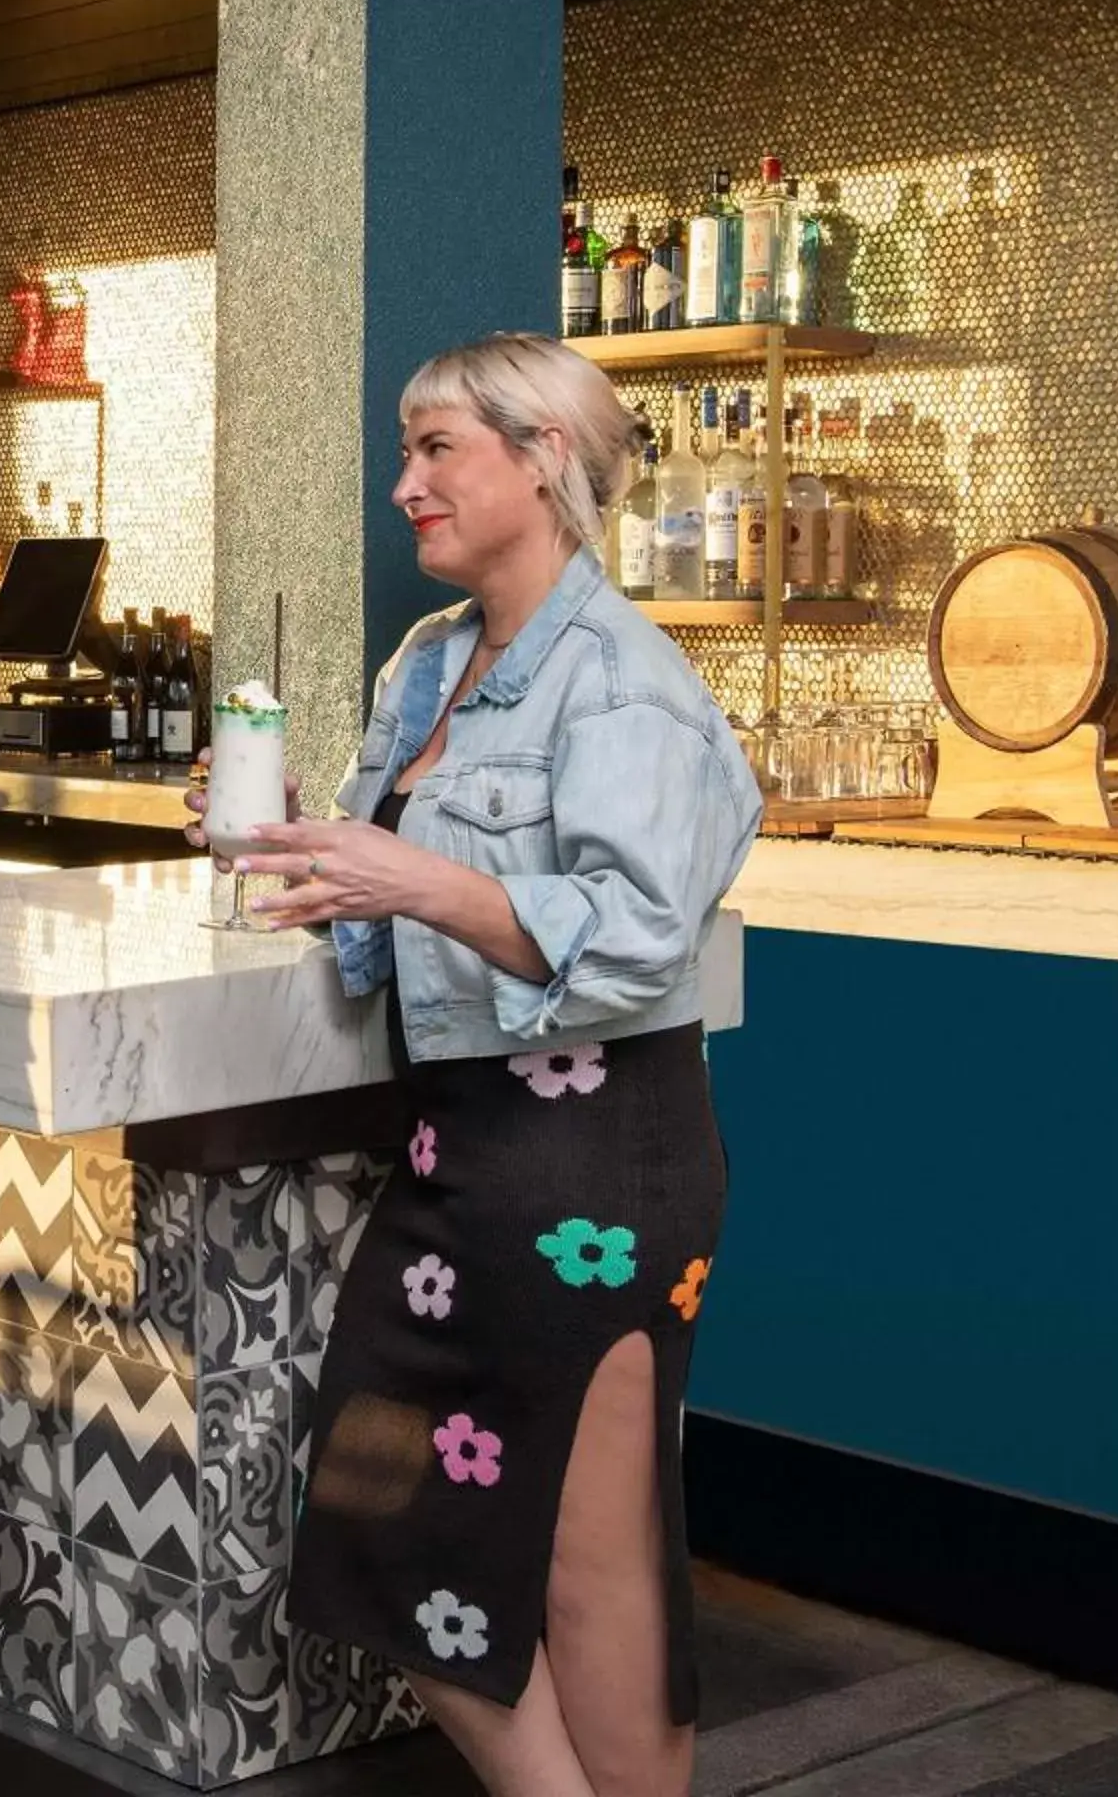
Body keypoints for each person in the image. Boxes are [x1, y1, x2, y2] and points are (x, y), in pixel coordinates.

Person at [191, 331, 758, 1797]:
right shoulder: (429, 663)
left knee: (592, 1571)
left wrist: (413, 879)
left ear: (545, 459)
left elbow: (639, 944)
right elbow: (401, 928)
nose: (405, 485)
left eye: (438, 448)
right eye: (408, 450)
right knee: (394, 1537)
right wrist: (306, 848)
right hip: (463, 1163)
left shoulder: (626, 684)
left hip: (595, 1167)